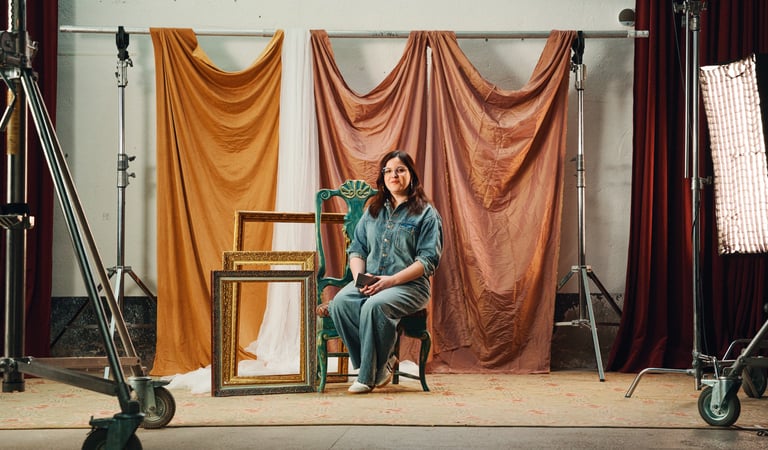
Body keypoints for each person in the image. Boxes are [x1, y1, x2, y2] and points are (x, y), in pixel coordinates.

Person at [315, 150, 443, 394]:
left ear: (412, 175)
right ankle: (382, 363)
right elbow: (357, 249)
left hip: (409, 286)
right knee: (341, 302)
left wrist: (390, 281)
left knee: (375, 306)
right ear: (383, 177)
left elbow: (427, 261)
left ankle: (367, 376)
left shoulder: (426, 214)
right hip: (371, 280)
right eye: (388, 171)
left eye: (400, 170)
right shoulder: (373, 211)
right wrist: (359, 280)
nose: (394, 175)